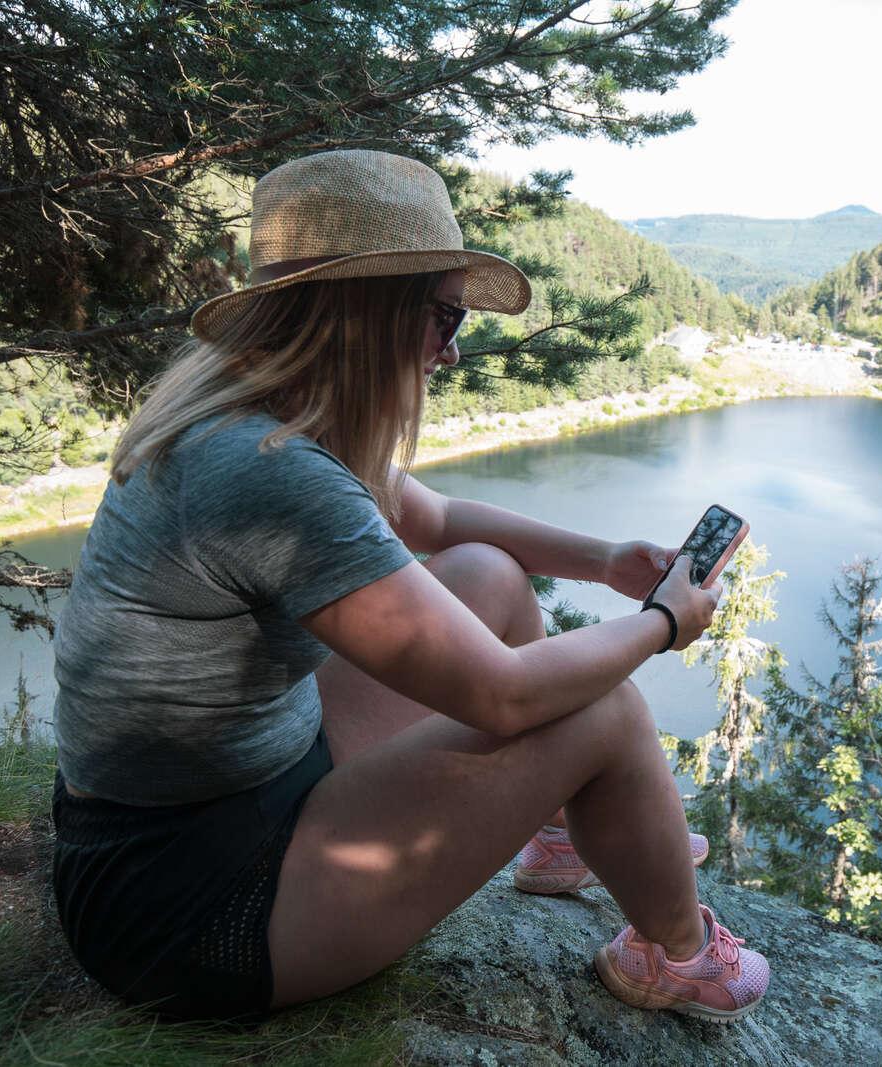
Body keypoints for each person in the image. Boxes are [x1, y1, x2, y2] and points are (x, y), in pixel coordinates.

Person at [49, 149, 770, 1024]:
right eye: (443, 316)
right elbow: (505, 695)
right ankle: (678, 955)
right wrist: (662, 622)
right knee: (604, 709)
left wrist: (608, 558)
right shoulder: (269, 471)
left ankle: (555, 831)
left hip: (220, 801)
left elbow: (440, 520)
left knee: (487, 575)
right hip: (188, 910)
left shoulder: (254, 412)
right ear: (365, 314)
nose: (453, 350)